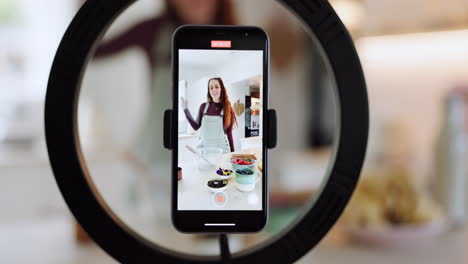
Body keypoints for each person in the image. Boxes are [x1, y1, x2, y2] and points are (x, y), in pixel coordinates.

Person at [93, 0, 236, 167]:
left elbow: (229, 131)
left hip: (210, 163)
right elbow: (93, 50)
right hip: (152, 162)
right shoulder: (153, 31)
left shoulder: (243, 39)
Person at [181, 77, 237, 153]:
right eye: (211, 88)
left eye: (216, 87)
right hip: (204, 151)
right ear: (209, 91)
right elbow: (196, 126)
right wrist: (185, 110)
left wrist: (233, 153)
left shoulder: (228, 109)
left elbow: (229, 133)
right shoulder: (203, 107)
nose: (214, 90)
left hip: (221, 152)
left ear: (221, 89)